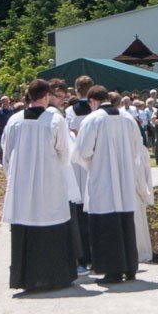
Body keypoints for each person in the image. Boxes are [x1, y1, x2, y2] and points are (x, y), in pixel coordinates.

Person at [1, 79, 79, 292]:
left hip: (22, 186)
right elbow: (65, 154)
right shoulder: (55, 120)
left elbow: (6, 154)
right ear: (46, 96)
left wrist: (14, 178)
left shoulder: (14, 120)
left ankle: (25, 278)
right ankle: (55, 276)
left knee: (25, 223)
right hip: (49, 183)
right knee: (52, 223)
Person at [73, 86, 151, 283]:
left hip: (103, 180)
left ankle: (112, 270)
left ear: (92, 101)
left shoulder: (93, 119)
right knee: (126, 223)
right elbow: (137, 147)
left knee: (106, 225)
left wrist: (94, 163)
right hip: (125, 180)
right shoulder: (128, 119)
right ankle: (130, 267)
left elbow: (82, 152)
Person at [65, 75, 94, 269]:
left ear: (76, 90)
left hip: (76, 165)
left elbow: (69, 134)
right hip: (93, 162)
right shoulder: (96, 111)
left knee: (79, 210)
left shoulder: (69, 111)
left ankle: (82, 255)